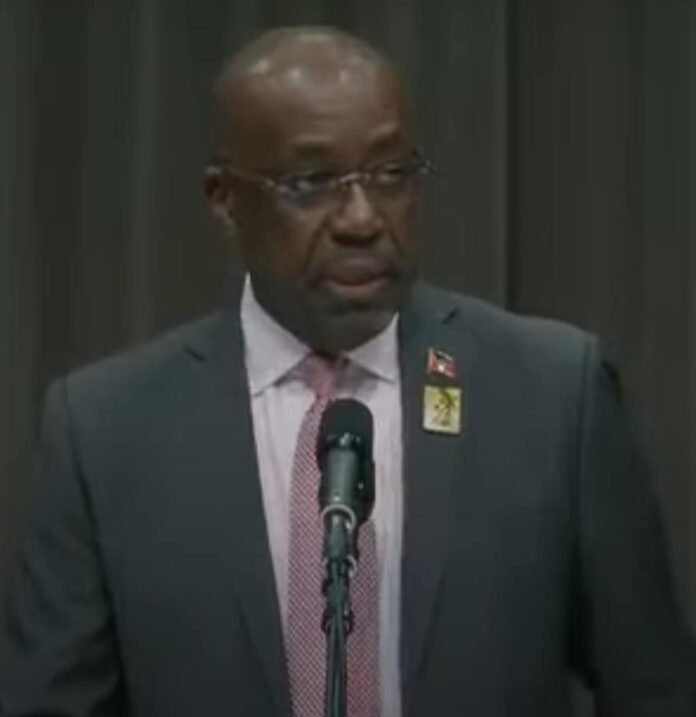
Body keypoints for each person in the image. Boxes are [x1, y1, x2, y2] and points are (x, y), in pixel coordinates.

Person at [1, 26, 695, 717]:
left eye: (390, 175)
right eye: (310, 183)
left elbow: (654, 690)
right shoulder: (107, 433)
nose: (362, 219)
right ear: (225, 200)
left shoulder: (553, 395)